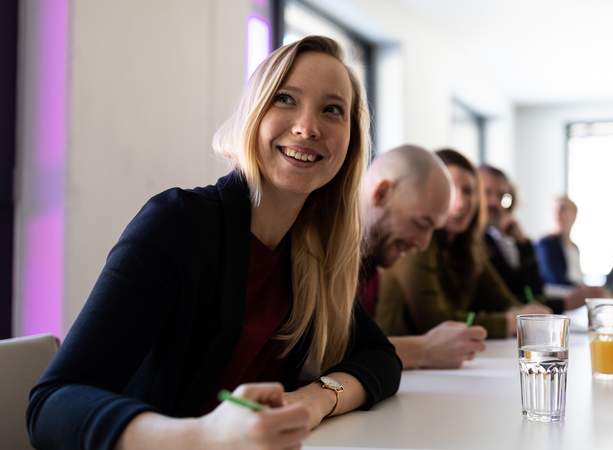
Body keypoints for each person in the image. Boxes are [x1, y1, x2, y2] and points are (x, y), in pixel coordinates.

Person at [27, 36, 401, 450]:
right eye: (285, 99)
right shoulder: (177, 224)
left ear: (350, 141)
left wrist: (314, 399)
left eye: (332, 110)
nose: (307, 127)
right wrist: (202, 436)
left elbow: (380, 359)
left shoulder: (312, 251)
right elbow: (51, 405)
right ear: (252, 116)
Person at [377, 149, 550, 339]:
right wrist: (508, 322)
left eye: (468, 191)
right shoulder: (416, 240)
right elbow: (435, 320)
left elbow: (504, 299)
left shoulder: (468, 245)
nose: (461, 203)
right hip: (403, 363)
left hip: (442, 364)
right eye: (450, 190)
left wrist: (527, 312)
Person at [361, 145, 488, 369]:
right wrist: (423, 350)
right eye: (421, 224)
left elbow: (352, 348)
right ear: (381, 194)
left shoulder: (372, 266)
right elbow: (319, 358)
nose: (423, 243)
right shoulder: (321, 251)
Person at [479, 165, 586, 313]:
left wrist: (523, 244)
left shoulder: (504, 241)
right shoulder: (546, 243)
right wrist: (566, 302)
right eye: (486, 192)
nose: (494, 202)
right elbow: (512, 300)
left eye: (502, 196)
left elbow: (532, 293)